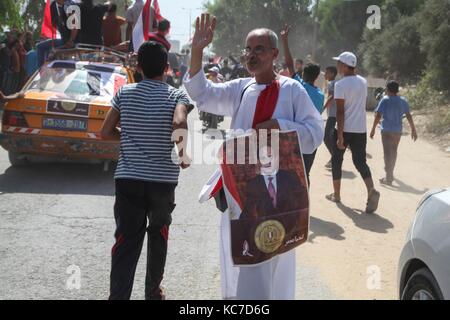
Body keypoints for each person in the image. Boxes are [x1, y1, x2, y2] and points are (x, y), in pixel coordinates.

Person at [184, 14, 323, 300]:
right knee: (241, 257)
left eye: (258, 49)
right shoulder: (240, 88)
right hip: (241, 192)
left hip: (278, 196)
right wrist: (197, 51)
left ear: (274, 54)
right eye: (247, 49)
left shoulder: (292, 90)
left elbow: (315, 134)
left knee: (272, 260)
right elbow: (201, 94)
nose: (251, 55)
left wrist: (280, 127)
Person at [101, 41, 191, 300]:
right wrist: (183, 156)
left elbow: (105, 131)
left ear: (138, 67)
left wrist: (130, 136)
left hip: (128, 179)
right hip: (162, 182)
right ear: (166, 68)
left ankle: (118, 296)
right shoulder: (176, 96)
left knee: (126, 240)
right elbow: (180, 121)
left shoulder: (124, 94)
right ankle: (152, 292)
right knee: (158, 235)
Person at [326, 52, 380, 214]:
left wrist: (340, 136)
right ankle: (371, 189)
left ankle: (336, 195)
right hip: (360, 129)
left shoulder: (340, 85)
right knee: (360, 161)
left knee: (337, 160)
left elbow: (341, 112)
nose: (337, 66)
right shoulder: (363, 82)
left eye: (339, 63)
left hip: (344, 128)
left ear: (344, 65)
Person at [281, 25, 323, 182]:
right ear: (316, 76)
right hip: (311, 138)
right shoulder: (320, 95)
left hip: (294, 137)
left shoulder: (299, 86)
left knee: (288, 173)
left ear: (303, 73)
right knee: (306, 175)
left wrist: (284, 40)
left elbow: (288, 63)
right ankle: (304, 204)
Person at [240, 146, 308, 220]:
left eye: (270, 157)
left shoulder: (290, 177)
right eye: (263, 158)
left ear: (276, 159)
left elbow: (302, 204)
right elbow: (247, 214)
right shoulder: (253, 185)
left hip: (291, 226)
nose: (268, 161)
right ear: (258, 162)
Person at [370, 80, 418, 185]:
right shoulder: (403, 100)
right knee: (394, 151)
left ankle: (389, 177)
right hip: (397, 131)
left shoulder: (385, 100)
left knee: (387, 153)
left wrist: (373, 129)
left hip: (386, 130)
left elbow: (378, 115)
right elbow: (408, 115)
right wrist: (413, 129)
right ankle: (390, 172)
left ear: (388, 89)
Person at [36, 0, 80, 67]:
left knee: (41, 47)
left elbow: (75, 26)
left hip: (69, 41)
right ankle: (46, 69)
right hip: (65, 39)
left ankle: (42, 70)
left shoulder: (68, 6)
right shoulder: (60, 6)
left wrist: (71, 40)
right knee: (45, 47)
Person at [323, 66, 338, 169]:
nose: (325, 75)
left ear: (332, 74)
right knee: (331, 138)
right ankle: (334, 158)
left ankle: (335, 158)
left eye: (327, 73)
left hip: (333, 115)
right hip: (333, 114)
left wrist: (322, 108)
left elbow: (331, 97)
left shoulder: (332, 84)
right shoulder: (334, 83)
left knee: (327, 138)